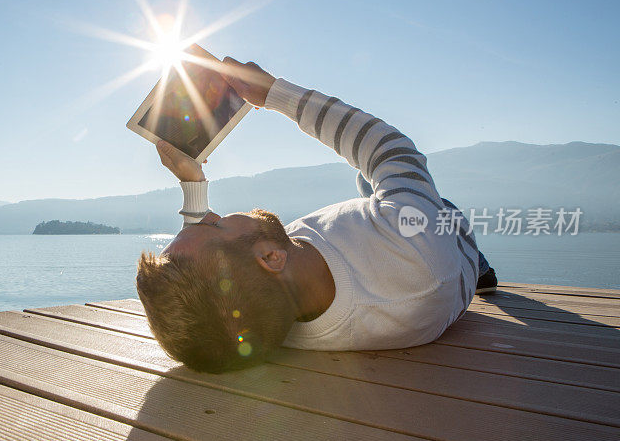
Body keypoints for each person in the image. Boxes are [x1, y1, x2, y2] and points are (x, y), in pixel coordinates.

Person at [136, 56, 498, 373]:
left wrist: (192, 182)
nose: (215, 214)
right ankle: (480, 263)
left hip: (366, 253)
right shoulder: (413, 250)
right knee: (372, 179)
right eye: (215, 223)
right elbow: (392, 150)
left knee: (376, 188)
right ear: (270, 257)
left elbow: (207, 270)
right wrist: (274, 93)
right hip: (452, 245)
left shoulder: (262, 321)